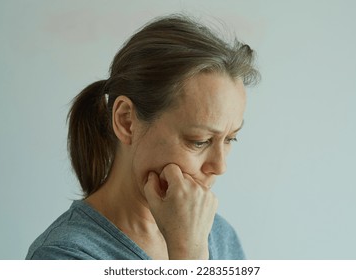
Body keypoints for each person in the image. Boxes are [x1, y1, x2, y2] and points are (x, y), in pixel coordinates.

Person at [26, 14, 259, 260]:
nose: (219, 166)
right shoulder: (61, 255)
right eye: (199, 141)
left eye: (230, 139)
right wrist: (188, 252)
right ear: (126, 121)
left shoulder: (219, 236)